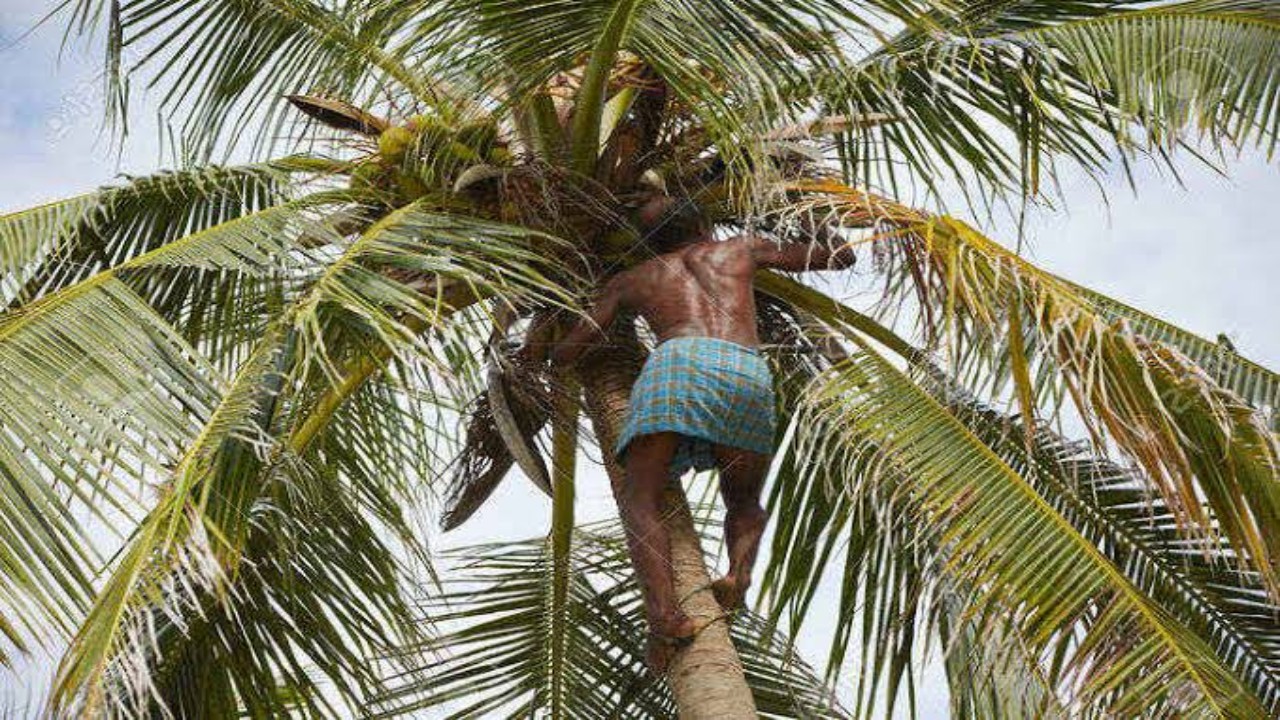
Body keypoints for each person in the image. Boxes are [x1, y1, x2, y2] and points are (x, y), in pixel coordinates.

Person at [551, 194, 857, 672]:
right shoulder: (739, 249)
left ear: (647, 241)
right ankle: (737, 575)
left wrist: (549, 330)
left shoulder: (634, 279)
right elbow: (839, 255)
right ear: (703, 224)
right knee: (743, 500)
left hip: (679, 362)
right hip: (746, 370)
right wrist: (806, 210)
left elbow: (569, 350)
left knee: (640, 496)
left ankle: (666, 619)